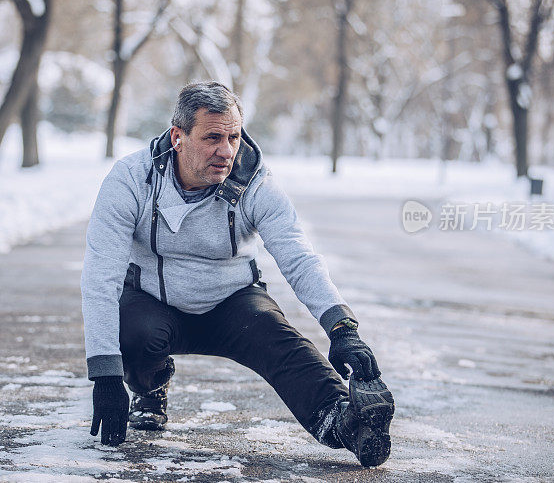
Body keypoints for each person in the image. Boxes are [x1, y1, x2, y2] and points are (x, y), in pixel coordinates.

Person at [81, 81, 394, 467]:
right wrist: (106, 374)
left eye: (233, 136)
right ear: (178, 137)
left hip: (233, 302)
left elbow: (298, 256)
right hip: (154, 303)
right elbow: (101, 276)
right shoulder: (131, 179)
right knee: (133, 334)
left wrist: (342, 327)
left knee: (283, 343)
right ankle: (150, 387)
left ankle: (343, 421)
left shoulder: (255, 182)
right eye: (213, 137)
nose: (227, 151)